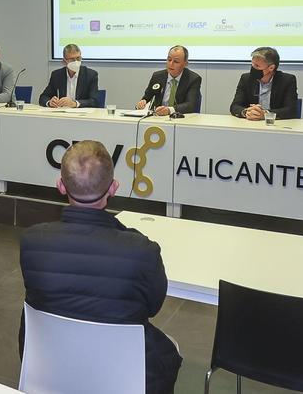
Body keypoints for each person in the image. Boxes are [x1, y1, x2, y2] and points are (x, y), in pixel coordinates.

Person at [18, 141, 182, 393]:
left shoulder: (32, 241)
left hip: (51, 367)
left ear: (60, 186)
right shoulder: (142, 250)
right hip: (127, 376)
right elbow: (153, 307)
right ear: (113, 188)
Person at [229, 46, 299, 120]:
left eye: (257, 66)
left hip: (276, 126)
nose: (253, 69)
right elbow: (235, 106)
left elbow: (291, 110)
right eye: (252, 65)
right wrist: (246, 112)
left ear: (271, 68)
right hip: (251, 124)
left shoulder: (287, 80)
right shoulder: (246, 79)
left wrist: (265, 114)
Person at [135, 45, 201, 116]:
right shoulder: (157, 76)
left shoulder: (193, 79)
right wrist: (142, 103)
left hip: (181, 119)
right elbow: (146, 97)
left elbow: (190, 105)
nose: (171, 64)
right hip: (157, 118)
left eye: (176, 61)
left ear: (185, 64)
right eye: (169, 59)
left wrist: (169, 110)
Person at [38, 44, 100, 108]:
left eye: (78, 58)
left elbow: (94, 101)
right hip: (61, 114)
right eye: (72, 59)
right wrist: (50, 102)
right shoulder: (56, 75)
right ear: (64, 61)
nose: (76, 62)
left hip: (81, 115)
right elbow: (43, 97)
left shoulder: (90, 75)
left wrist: (75, 103)